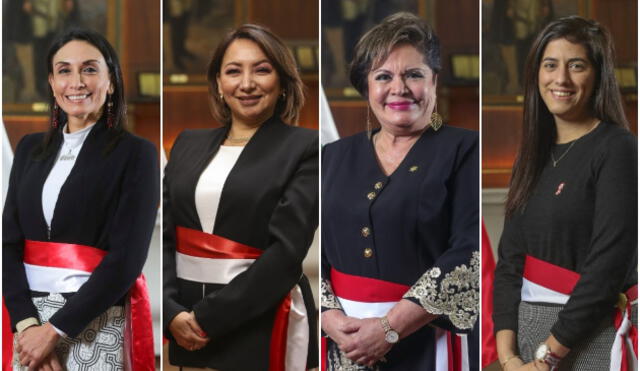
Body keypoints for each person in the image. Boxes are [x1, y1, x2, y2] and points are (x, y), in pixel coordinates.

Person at [321, 12, 479, 370]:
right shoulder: (331, 156)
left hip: (429, 340)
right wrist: (329, 318)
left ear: (434, 81)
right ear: (366, 87)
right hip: (345, 345)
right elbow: (316, 251)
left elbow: (469, 253)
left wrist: (388, 329)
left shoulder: (465, 149)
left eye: (413, 74)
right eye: (383, 76)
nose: (399, 88)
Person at [162, 24, 319, 371]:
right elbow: (165, 238)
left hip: (260, 322)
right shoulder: (187, 144)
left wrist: (206, 318)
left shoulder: (305, 148)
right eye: (233, 71)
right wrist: (171, 311)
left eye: (261, 70)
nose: (246, 83)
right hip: (185, 322)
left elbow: (286, 253)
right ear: (218, 83)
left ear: (281, 83)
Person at [3, 28, 159, 370]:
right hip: (24, 319)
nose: (77, 81)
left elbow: (126, 260)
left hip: (95, 318)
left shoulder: (137, 154)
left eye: (89, 69)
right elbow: (8, 244)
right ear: (51, 82)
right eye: (64, 70)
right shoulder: (29, 148)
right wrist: (28, 326)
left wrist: (53, 332)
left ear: (111, 81)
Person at [492, 16, 637, 371]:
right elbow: (510, 261)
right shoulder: (531, 155)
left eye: (576, 66)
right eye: (550, 65)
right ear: (536, 74)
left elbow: (607, 267)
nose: (561, 79)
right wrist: (508, 357)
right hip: (524, 346)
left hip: (587, 340)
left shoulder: (617, 148)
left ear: (597, 74)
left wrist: (548, 356)